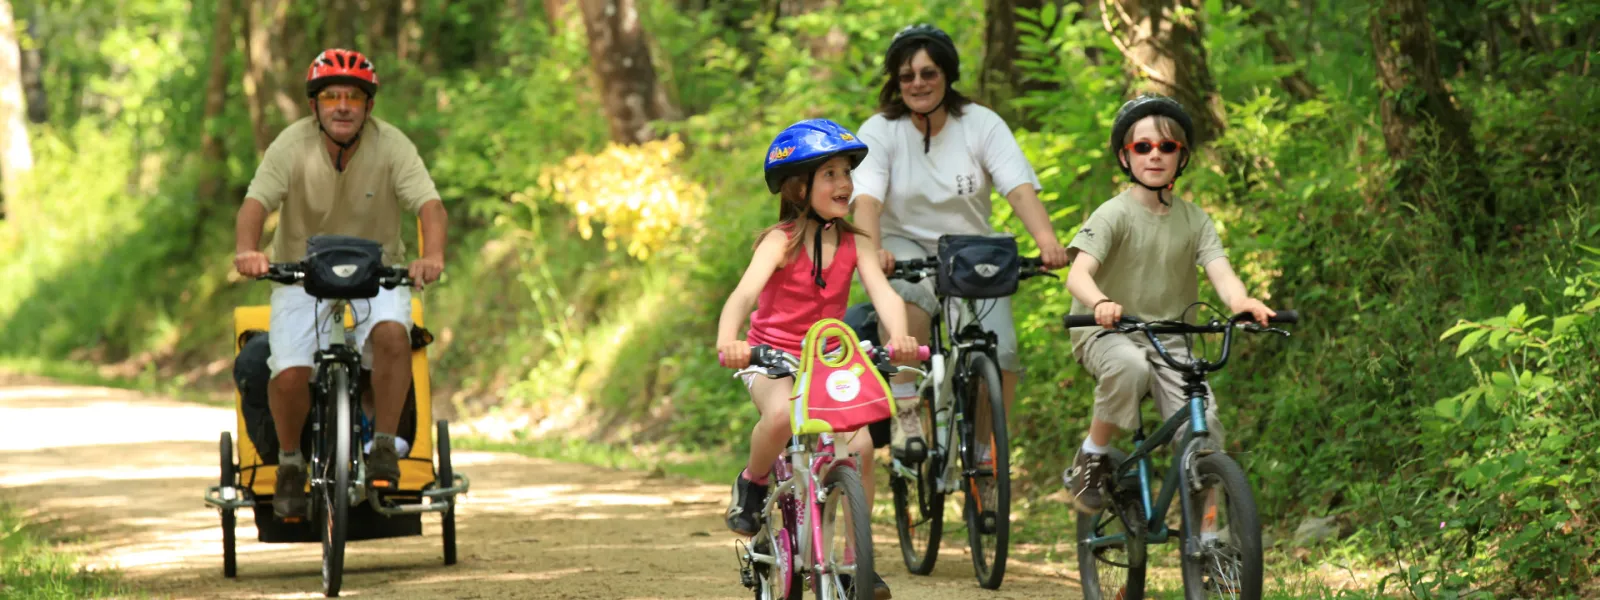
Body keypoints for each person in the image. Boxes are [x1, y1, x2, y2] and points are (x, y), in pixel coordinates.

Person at [233, 48, 449, 520]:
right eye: (331, 96)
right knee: (288, 374)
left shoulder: (392, 145)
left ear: (369, 104)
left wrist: (431, 256)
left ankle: (386, 447)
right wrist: (249, 251)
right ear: (315, 105)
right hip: (300, 275)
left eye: (354, 96)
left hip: (378, 273)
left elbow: (429, 205)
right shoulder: (290, 146)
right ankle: (290, 461)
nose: (343, 106)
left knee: (394, 337)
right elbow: (256, 202)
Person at [851, 24, 1068, 469]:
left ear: (947, 75)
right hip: (902, 242)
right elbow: (868, 200)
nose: (918, 84)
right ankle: (908, 410)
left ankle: (988, 457)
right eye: (907, 75)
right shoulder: (881, 130)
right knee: (907, 302)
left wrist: (1047, 241)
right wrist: (872, 252)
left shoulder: (980, 124)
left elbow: (1018, 186)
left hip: (971, 247)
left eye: (928, 73)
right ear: (895, 81)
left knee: (1001, 350)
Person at [717, 119, 917, 599]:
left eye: (847, 172)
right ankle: (754, 481)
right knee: (783, 414)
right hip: (772, 357)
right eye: (830, 174)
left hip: (829, 362)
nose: (844, 183)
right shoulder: (779, 242)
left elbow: (884, 296)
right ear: (797, 185)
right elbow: (743, 296)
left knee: (863, 447)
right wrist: (731, 339)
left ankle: (855, 563)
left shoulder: (855, 242)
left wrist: (902, 335)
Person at [1061, 93, 1277, 516]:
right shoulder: (1113, 214)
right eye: (1142, 147)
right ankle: (1092, 453)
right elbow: (1077, 275)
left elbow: (1221, 272)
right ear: (1126, 158)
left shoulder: (1195, 219)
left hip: (1171, 336)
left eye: (1167, 147)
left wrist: (1241, 302)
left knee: (1206, 425)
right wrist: (1102, 302)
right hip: (1106, 330)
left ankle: (1212, 539)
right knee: (1130, 366)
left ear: (1182, 157)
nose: (1154, 155)